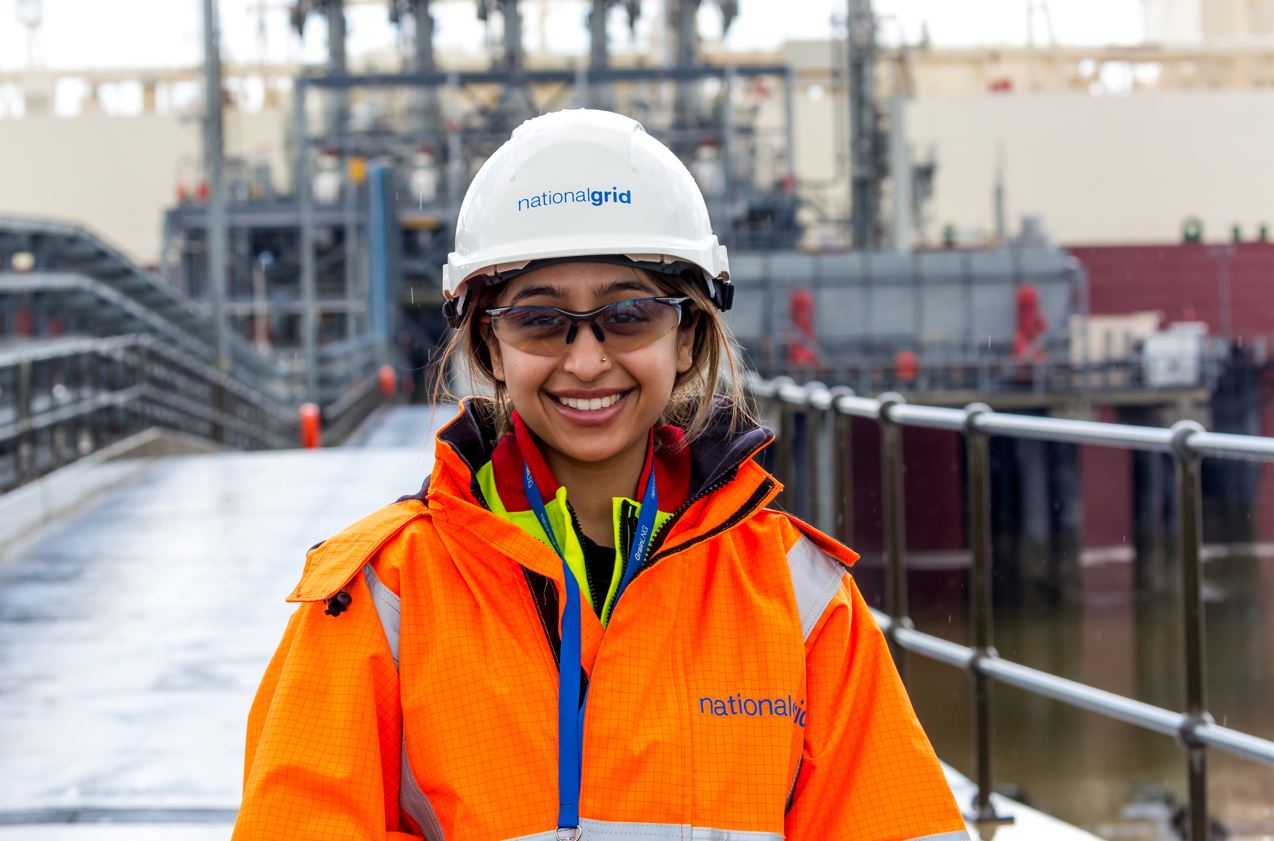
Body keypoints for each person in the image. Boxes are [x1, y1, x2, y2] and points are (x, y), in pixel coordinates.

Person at [233, 109, 968, 841]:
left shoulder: (801, 602)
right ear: (489, 347)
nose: (586, 361)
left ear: (687, 337)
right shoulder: (375, 600)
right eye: (540, 319)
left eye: (629, 314)